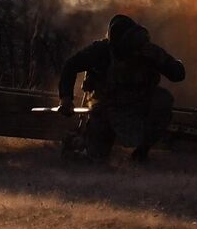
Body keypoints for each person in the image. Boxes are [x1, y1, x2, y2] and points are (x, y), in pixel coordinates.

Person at [58, 14, 186, 162]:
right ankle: (82, 145)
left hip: (138, 107)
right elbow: (70, 66)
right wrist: (66, 99)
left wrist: (163, 60)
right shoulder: (101, 51)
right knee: (95, 159)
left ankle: (141, 152)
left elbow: (178, 74)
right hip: (106, 109)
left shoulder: (148, 51)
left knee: (163, 99)